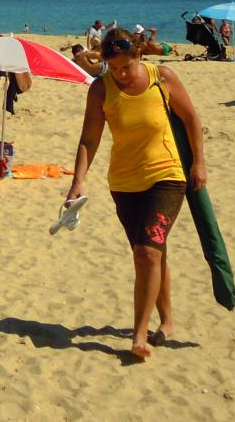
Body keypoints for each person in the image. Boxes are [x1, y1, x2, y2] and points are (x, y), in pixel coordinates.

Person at [65, 31, 207, 361]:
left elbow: (191, 120)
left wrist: (199, 162)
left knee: (147, 253)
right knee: (151, 253)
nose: (121, 74)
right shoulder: (100, 89)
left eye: (126, 67)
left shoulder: (163, 78)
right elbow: (89, 138)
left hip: (167, 177)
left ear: (139, 57)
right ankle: (167, 320)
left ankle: (139, 334)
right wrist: (78, 181)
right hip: (125, 185)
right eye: (113, 68)